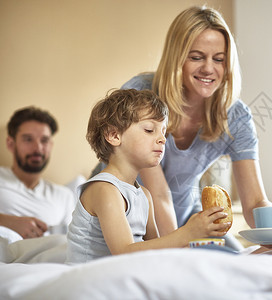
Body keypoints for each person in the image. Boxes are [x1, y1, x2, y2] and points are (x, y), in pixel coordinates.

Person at [92, 6, 272, 249]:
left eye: (219, 59)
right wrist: (180, 250)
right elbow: (159, 194)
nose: (209, 68)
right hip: (124, 216)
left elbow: (254, 203)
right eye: (197, 57)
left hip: (187, 217)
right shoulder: (142, 96)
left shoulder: (236, 117)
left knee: (235, 258)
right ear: (177, 57)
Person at [66, 89, 230, 264]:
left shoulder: (144, 195)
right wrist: (185, 233)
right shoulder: (104, 189)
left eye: (163, 132)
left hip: (120, 277)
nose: (162, 139)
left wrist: (194, 236)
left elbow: (155, 252)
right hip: (90, 281)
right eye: (150, 130)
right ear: (114, 135)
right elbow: (124, 252)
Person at [0, 106, 75, 239]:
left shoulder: (64, 196)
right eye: (28, 139)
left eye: (44, 140)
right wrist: (10, 222)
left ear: (51, 145)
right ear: (11, 144)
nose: (38, 148)